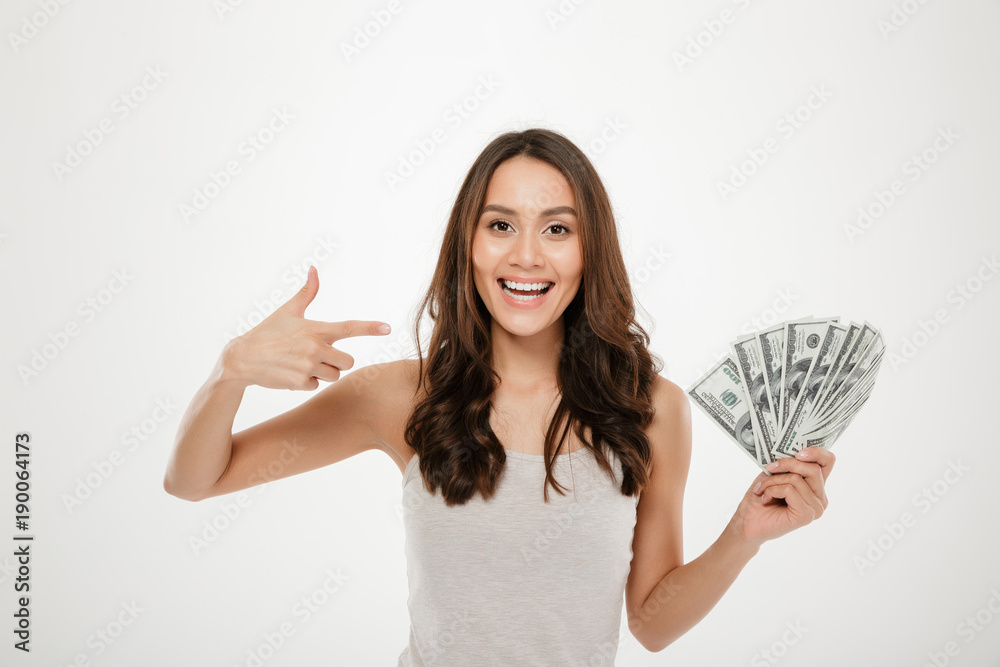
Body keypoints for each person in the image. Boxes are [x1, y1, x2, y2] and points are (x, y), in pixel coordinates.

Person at [163, 128, 835, 664]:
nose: (527, 257)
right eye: (501, 225)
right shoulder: (398, 395)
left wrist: (744, 535)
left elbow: (652, 625)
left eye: (558, 228)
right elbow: (195, 479)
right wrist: (231, 373)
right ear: (470, 244)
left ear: (588, 249)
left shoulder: (653, 408)